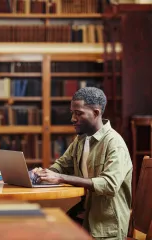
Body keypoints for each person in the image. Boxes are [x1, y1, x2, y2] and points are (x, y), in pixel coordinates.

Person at [32, 87, 132, 240]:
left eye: (78, 113)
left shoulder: (114, 143)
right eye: (72, 112)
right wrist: (44, 173)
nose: (73, 118)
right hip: (85, 215)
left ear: (96, 113)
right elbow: (61, 165)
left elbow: (110, 185)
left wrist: (60, 177)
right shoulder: (81, 140)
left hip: (105, 226)